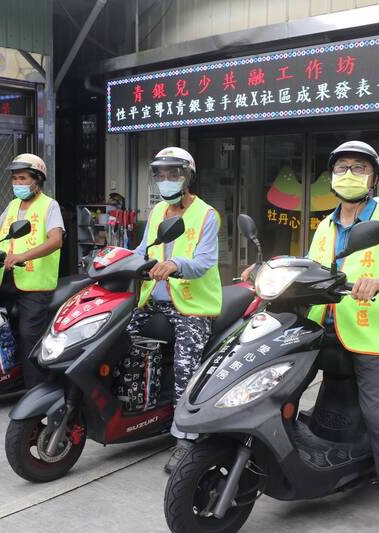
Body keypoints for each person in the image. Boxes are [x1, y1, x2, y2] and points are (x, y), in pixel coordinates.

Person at [242, 141, 379, 533]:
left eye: (358, 168)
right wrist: (261, 272)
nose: (348, 175)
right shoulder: (325, 224)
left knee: (378, 415)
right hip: (324, 329)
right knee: (275, 385)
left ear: (373, 178)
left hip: (371, 337)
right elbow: (308, 270)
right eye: (341, 168)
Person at [127, 147, 222, 474]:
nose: (166, 180)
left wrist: (175, 264)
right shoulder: (157, 213)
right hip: (153, 298)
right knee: (118, 336)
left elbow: (205, 261)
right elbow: (143, 250)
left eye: (173, 174)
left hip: (192, 306)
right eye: (161, 174)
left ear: (187, 176)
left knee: (186, 367)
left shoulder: (206, 214)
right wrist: (119, 260)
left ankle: (185, 439)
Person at [0, 154, 63, 387]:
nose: (18, 183)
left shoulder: (49, 205)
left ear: (37, 180)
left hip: (34, 284)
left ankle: (35, 392)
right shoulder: (12, 205)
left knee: (29, 335)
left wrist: (23, 256)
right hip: (6, 277)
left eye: (23, 178)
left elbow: (56, 240)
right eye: (15, 179)